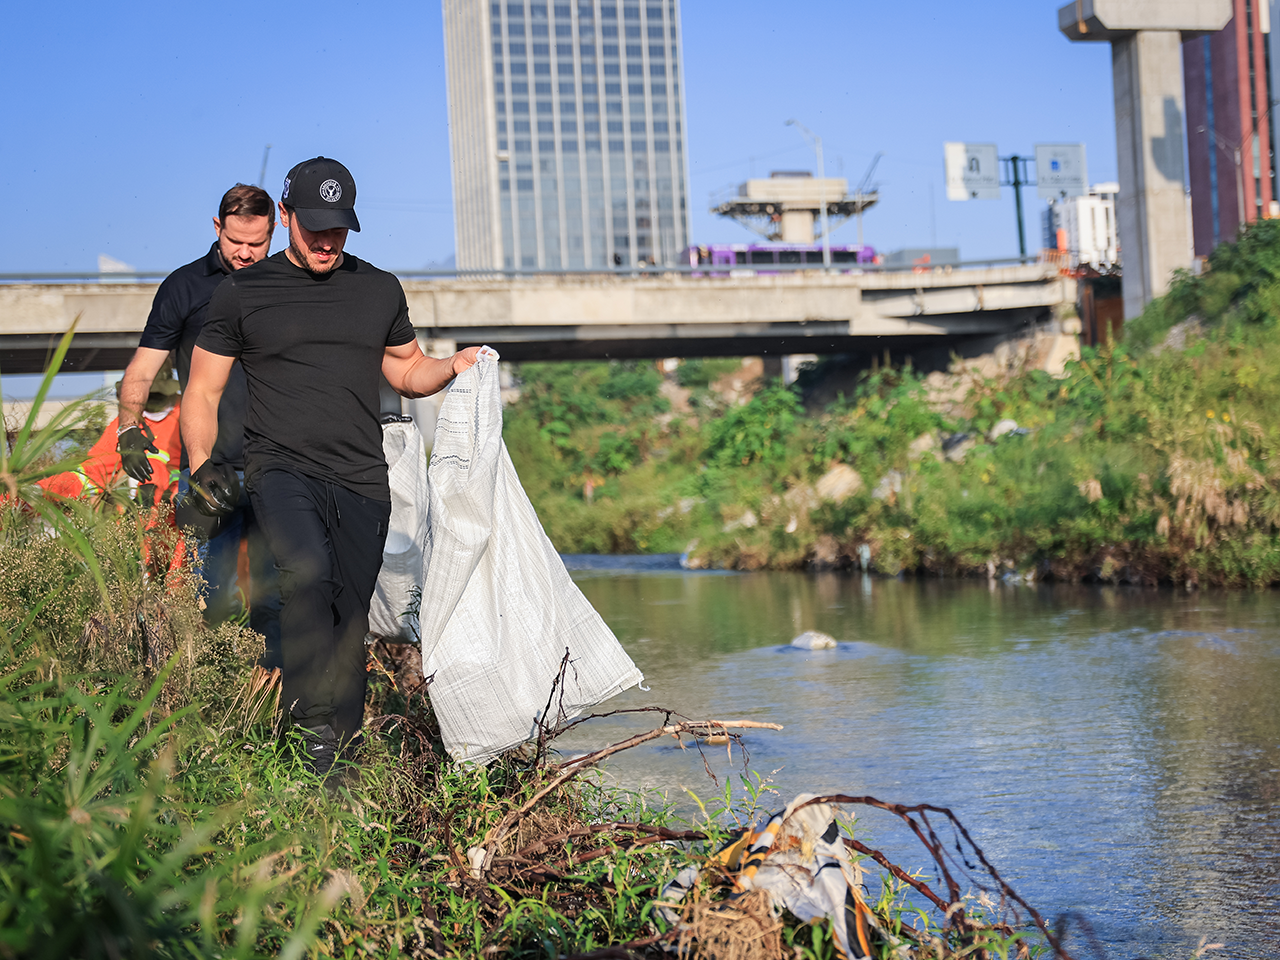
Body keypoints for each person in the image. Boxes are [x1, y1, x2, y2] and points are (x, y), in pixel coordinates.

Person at [182, 157, 482, 777]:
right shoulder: (244, 293)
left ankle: (336, 757)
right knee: (308, 577)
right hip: (280, 470)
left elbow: (404, 369)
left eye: (338, 229)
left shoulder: (378, 290)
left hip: (361, 479)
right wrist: (202, 463)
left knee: (349, 615)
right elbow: (203, 392)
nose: (326, 241)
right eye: (314, 227)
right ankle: (307, 732)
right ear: (286, 216)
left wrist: (452, 366)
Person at [116, 184, 282, 667]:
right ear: (217, 228)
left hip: (279, 467)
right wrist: (129, 426)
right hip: (209, 471)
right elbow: (142, 370)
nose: (247, 253)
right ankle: (213, 708)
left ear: (274, 231)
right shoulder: (184, 287)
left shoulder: (286, 284)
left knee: (276, 602)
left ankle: (272, 712)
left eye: (258, 243)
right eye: (236, 242)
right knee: (212, 602)